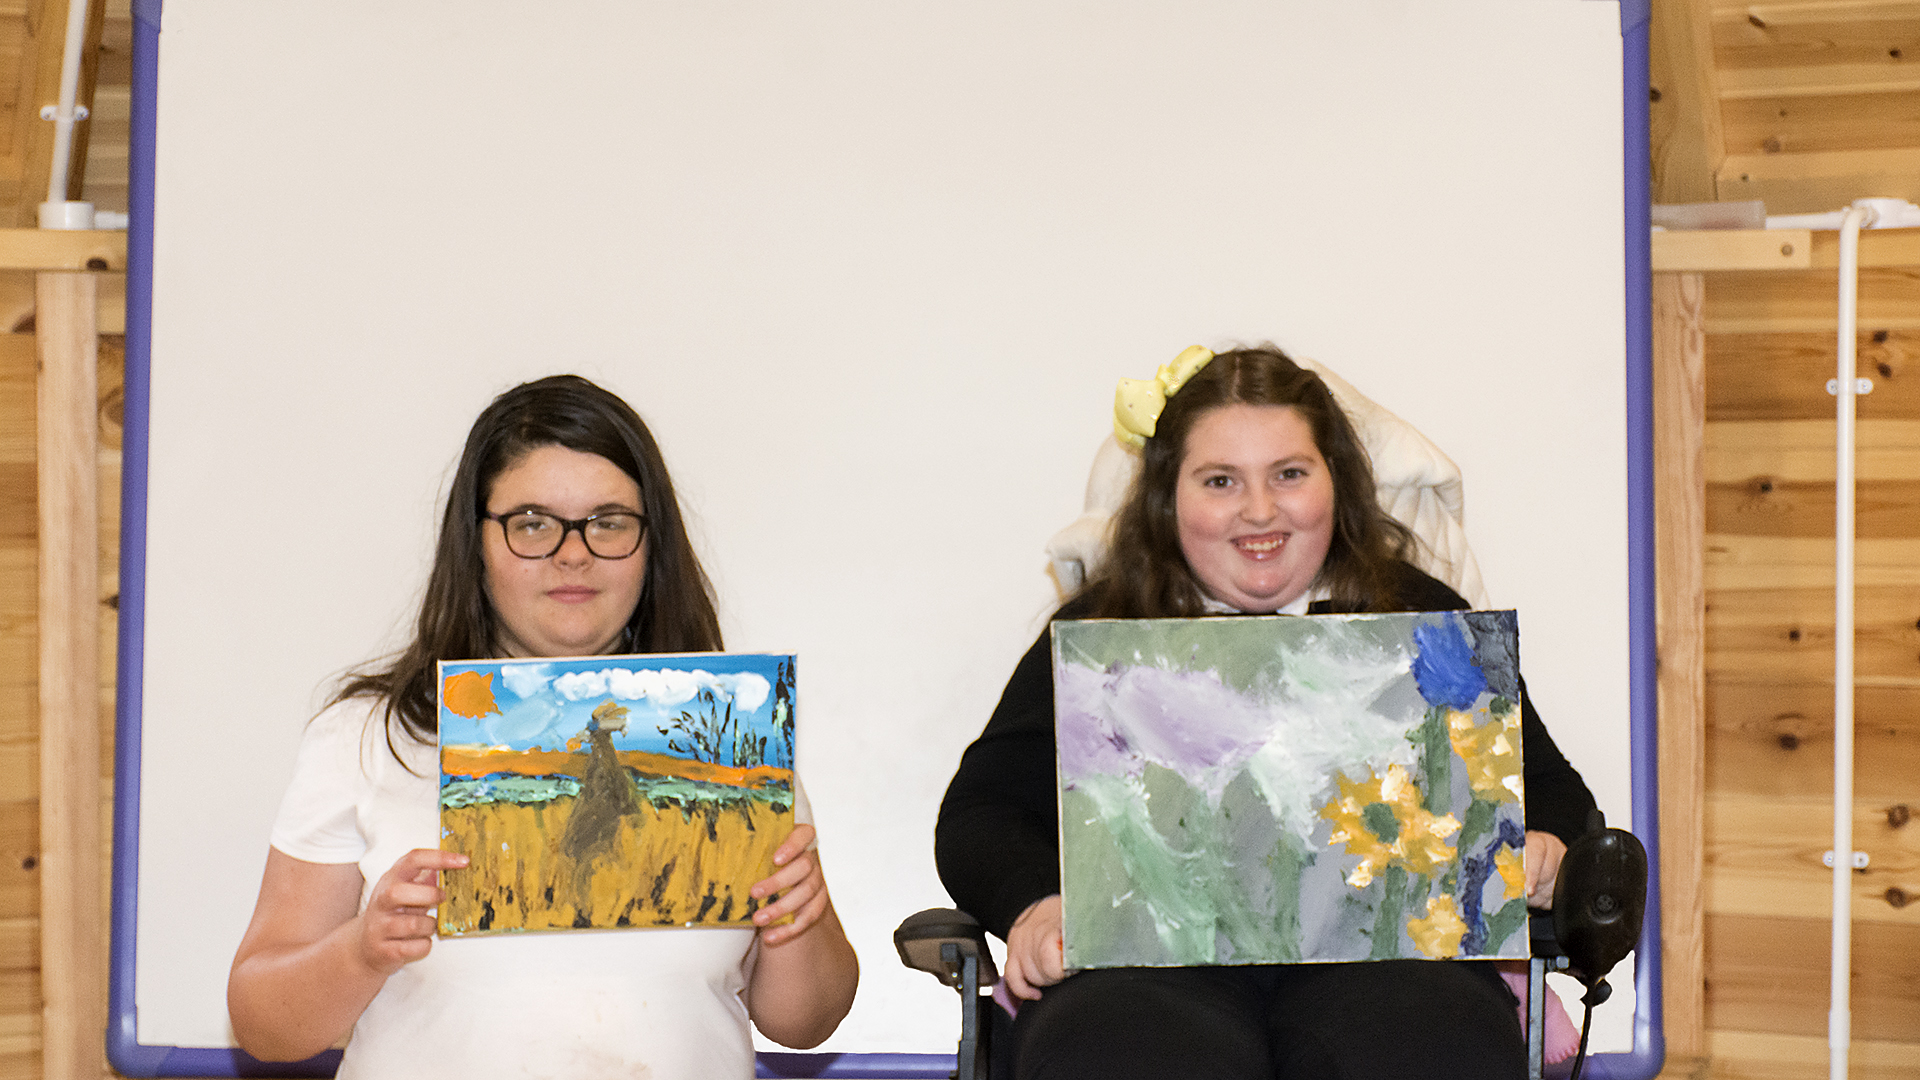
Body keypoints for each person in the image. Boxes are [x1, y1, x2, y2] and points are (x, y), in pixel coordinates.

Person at [934, 345, 1596, 1080]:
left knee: (1422, 1044)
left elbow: (1555, 793)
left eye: (1289, 474)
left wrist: (1546, 850)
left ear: (1335, 483)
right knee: (1123, 1051)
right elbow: (981, 814)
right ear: (1168, 498)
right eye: (1220, 480)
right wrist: (1034, 905)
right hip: (1144, 973)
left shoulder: (1417, 617)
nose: (1258, 509)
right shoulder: (1104, 632)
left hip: (1388, 968)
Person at [229, 375, 858, 1078]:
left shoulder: (730, 738)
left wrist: (801, 915)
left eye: (609, 522)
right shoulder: (369, 736)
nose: (573, 553)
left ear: (652, 546)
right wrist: (362, 949)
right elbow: (261, 1023)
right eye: (532, 523)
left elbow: (805, 1021)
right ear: (476, 543)